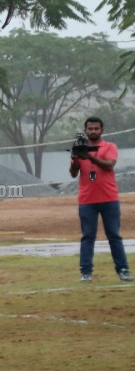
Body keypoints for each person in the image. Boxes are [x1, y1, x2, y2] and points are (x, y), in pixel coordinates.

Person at [70, 117, 132, 282]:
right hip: (87, 200)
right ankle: (86, 272)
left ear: (102, 130)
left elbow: (109, 165)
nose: (93, 131)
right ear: (85, 131)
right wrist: (76, 158)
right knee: (88, 236)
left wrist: (89, 157)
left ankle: (123, 269)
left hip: (109, 198)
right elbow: (73, 173)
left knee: (114, 235)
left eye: (96, 128)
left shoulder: (110, 147)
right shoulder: (79, 148)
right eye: (90, 129)